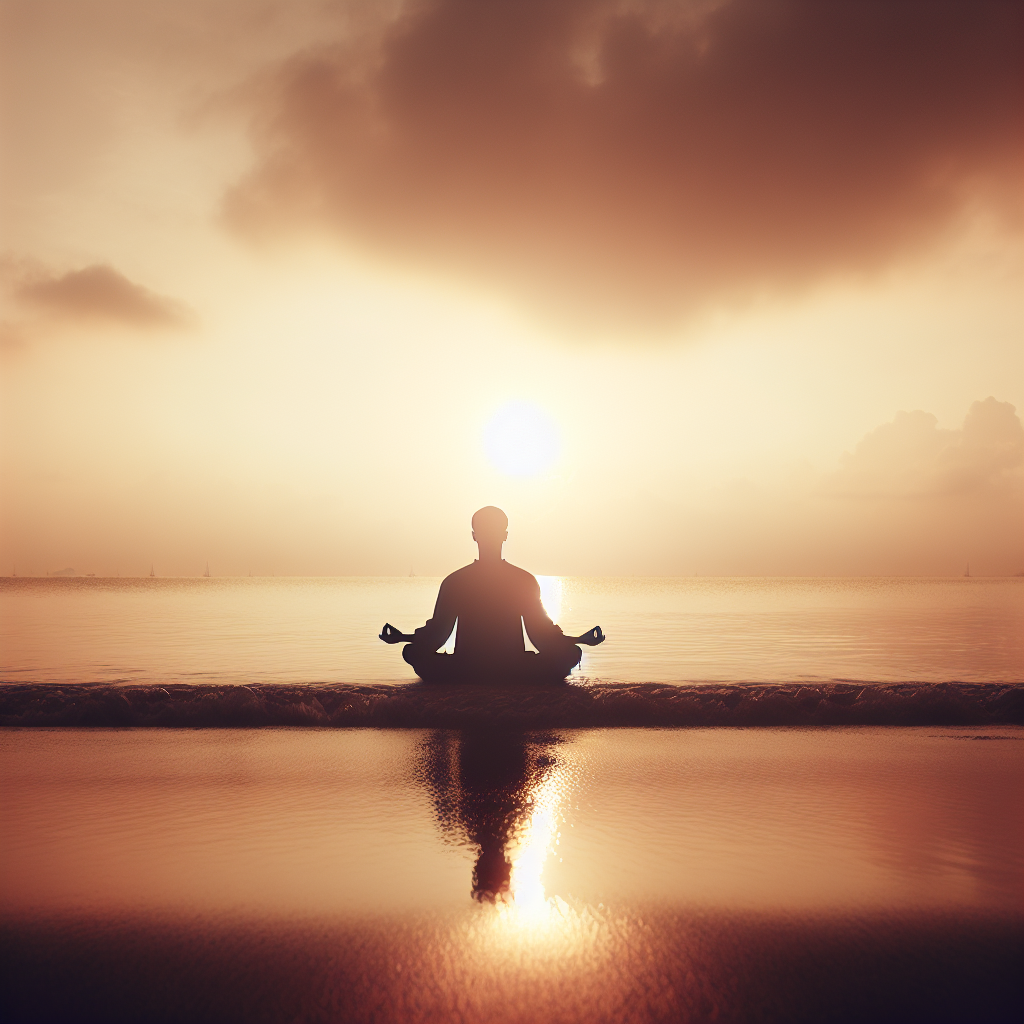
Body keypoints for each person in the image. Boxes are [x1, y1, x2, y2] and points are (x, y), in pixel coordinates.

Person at [379, 506, 604, 683]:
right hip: (514, 670)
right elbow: (542, 637)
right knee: (571, 653)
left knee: (412, 652)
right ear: (504, 535)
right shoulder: (523, 580)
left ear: (474, 536)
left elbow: (437, 635)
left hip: (466, 670)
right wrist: (579, 640)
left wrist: (403, 638)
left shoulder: (456, 581)